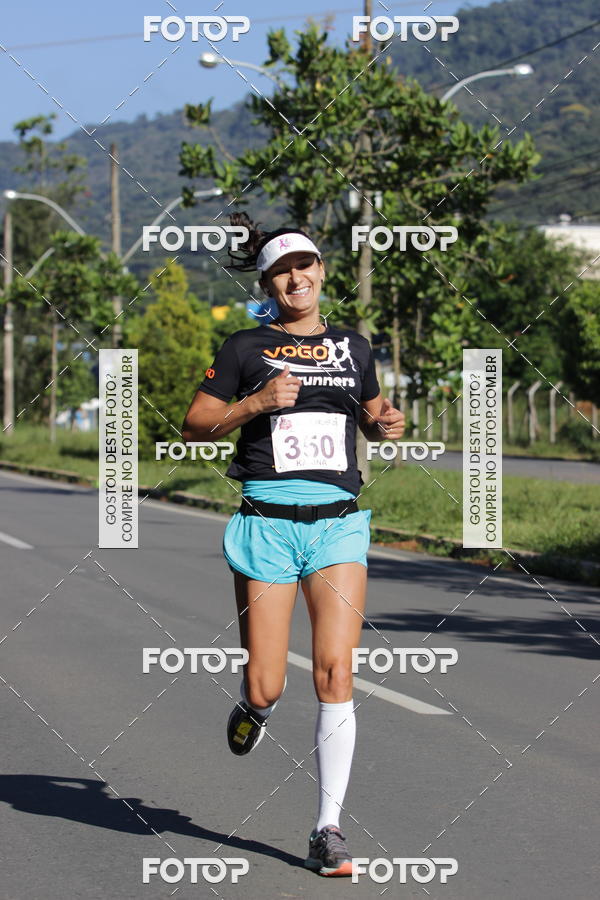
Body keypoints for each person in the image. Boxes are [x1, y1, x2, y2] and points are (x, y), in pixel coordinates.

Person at [182, 213, 405, 877]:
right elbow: (195, 424)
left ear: (321, 271)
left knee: (336, 671)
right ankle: (254, 706)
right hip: (269, 525)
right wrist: (256, 403)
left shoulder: (354, 347)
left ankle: (327, 829)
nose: (294, 278)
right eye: (280, 272)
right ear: (267, 285)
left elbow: (373, 411)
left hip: (338, 522)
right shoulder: (244, 346)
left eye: (303, 265)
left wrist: (386, 422)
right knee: (269, 682)